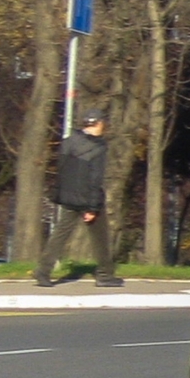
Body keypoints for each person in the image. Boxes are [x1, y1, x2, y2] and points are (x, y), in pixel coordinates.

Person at [33, 113, 124, 286]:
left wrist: (62, 194)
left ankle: (43, 271)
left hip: (69, 197)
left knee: (59, 235)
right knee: (101, 238)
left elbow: (62, 170)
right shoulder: (98, 147)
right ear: (98, 124)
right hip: (88, 198)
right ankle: (105, 275)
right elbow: (94, 179)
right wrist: (92, 207)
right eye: (103, 122)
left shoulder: (68, 142)